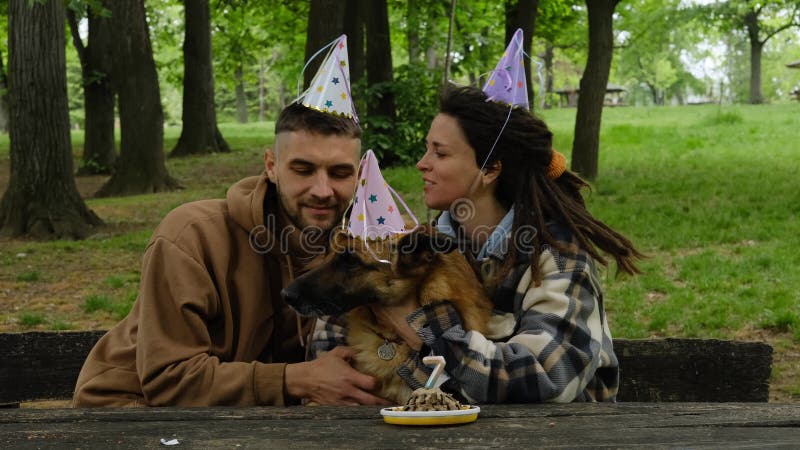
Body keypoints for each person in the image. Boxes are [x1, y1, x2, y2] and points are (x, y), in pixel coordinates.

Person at [312, 84, 643, 403]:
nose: (421, 163)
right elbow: (333, 322)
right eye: (427, 148)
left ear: (490, 169)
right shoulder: (421, 246)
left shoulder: (557, 259)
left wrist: (417, 328)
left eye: (439, 152)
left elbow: (550, 376)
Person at [72, 101, 390, 407]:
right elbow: (168, 379)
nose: (322, 190)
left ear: (359, 175)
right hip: (129, 412)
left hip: (255, 420)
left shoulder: (360, 250)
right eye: (303, 170)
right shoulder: (192, 236)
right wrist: (295, 380)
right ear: (271, 166)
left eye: (339, 173)